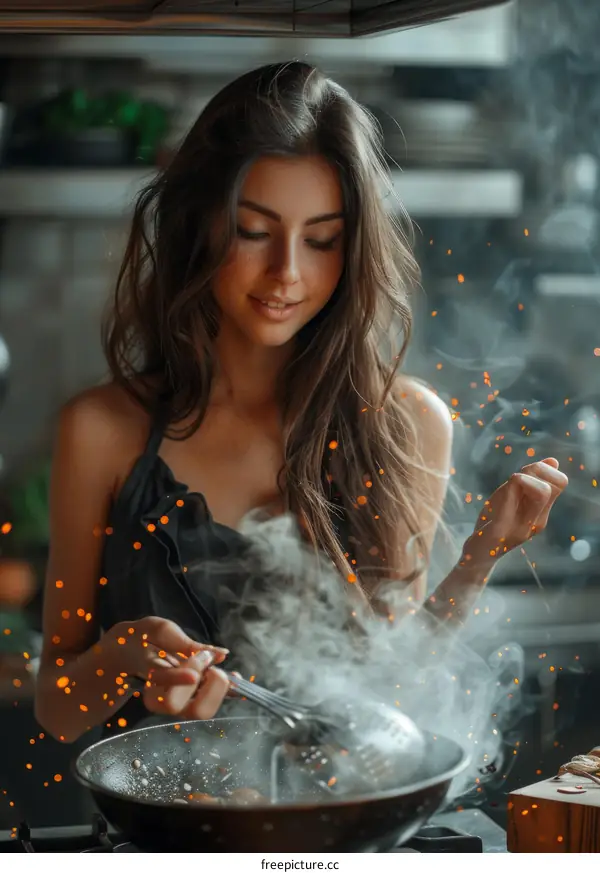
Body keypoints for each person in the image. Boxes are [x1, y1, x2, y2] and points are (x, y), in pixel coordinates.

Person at [34, 62, 568, 744]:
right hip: (150, 811)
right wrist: (123, 656)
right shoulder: (102, 430)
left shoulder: (405, 423)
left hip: (340, 811)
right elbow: (57, 707)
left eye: (321, 240)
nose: (287, 272)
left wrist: (478, 559)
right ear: (199, 228)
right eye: (254, 232)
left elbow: (395, 690)